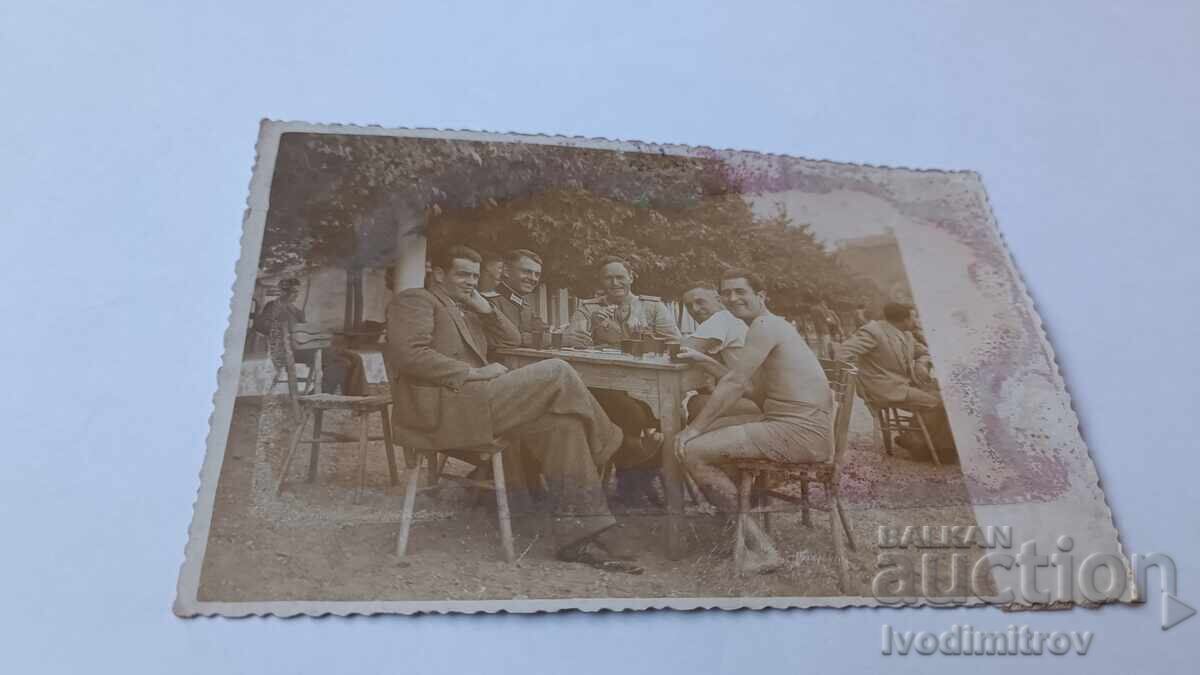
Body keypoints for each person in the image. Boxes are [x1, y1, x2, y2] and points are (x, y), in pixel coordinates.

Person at [386, 245, 636, 565]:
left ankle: (582, 532)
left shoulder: (467, 305)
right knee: (558, 370)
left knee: (565, 426)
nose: (470, 282)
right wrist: (473, 372)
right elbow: (409, 355)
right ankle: (611, 443)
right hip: (445, 409)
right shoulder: (415, 300)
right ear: (437, 274)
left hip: (474, 404)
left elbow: (514, 339)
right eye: (462, 274)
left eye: (475, 276)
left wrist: (487, 310)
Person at [676, 269, 833, 574]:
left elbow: (735, 383)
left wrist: (693, 428)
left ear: (761, 296)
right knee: (708, 434)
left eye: (740, 292)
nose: (732, 299)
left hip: (800, 432)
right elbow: (752, 390)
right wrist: (708, 362)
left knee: (692, 449)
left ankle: (762, 549)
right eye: (726, 293)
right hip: (798, 426)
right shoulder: (766, 327)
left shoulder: (765, 325)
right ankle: (735, 531)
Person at [563, 256, 682, 506]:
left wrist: (642, 336)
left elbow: (674, 341)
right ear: (601, 281)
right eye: (608, 277)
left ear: (631, 277)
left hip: (649, 385)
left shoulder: (652, 307)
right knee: (632, 414)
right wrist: (590, 329)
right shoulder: (588, 307)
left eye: (620, 276)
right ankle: (635, 479)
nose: (615, 282)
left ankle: (638, 477)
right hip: (604, 387)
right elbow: (570, 338)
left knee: (658, 415)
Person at [835, 302, 957, 461]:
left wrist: (921, 364)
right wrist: (858, 378)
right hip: (882, 388)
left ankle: (933, 446)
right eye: (914, 317)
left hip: (901, 385)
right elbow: (843, 352)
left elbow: (925, 352)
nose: (916, 321)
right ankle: (921, 441)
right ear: (904, 319)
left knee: (950, 397)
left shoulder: (906, 334)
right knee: (940, 401)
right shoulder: (874, 332)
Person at [678, 280, 760, 422]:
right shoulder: (738, 316)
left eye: (700, 302)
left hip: (763, 402)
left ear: (718, 299)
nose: (695, 309)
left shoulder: (722, 317)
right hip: (765, 396)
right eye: (689, 306)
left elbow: (683, 350)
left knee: (696, 403)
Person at [254, 277, 350, 394]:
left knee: (351, 358)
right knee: (340, 361)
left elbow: (305, 331)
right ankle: (321, 393)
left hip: (302, 348)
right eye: (294, 291)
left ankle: (354, 394)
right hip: (285, 350)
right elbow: (260, 325)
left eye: (297, 292)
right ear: (284, 292)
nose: (296, 295)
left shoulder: (296, 311)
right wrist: (279, 328)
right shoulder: (273, 306)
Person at [482, 248, 547, 342]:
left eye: (537, 274)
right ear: (506, 272)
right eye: (527, 272)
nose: (533, 278)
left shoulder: (524, 305)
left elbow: (543, 330)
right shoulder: (490, 302)